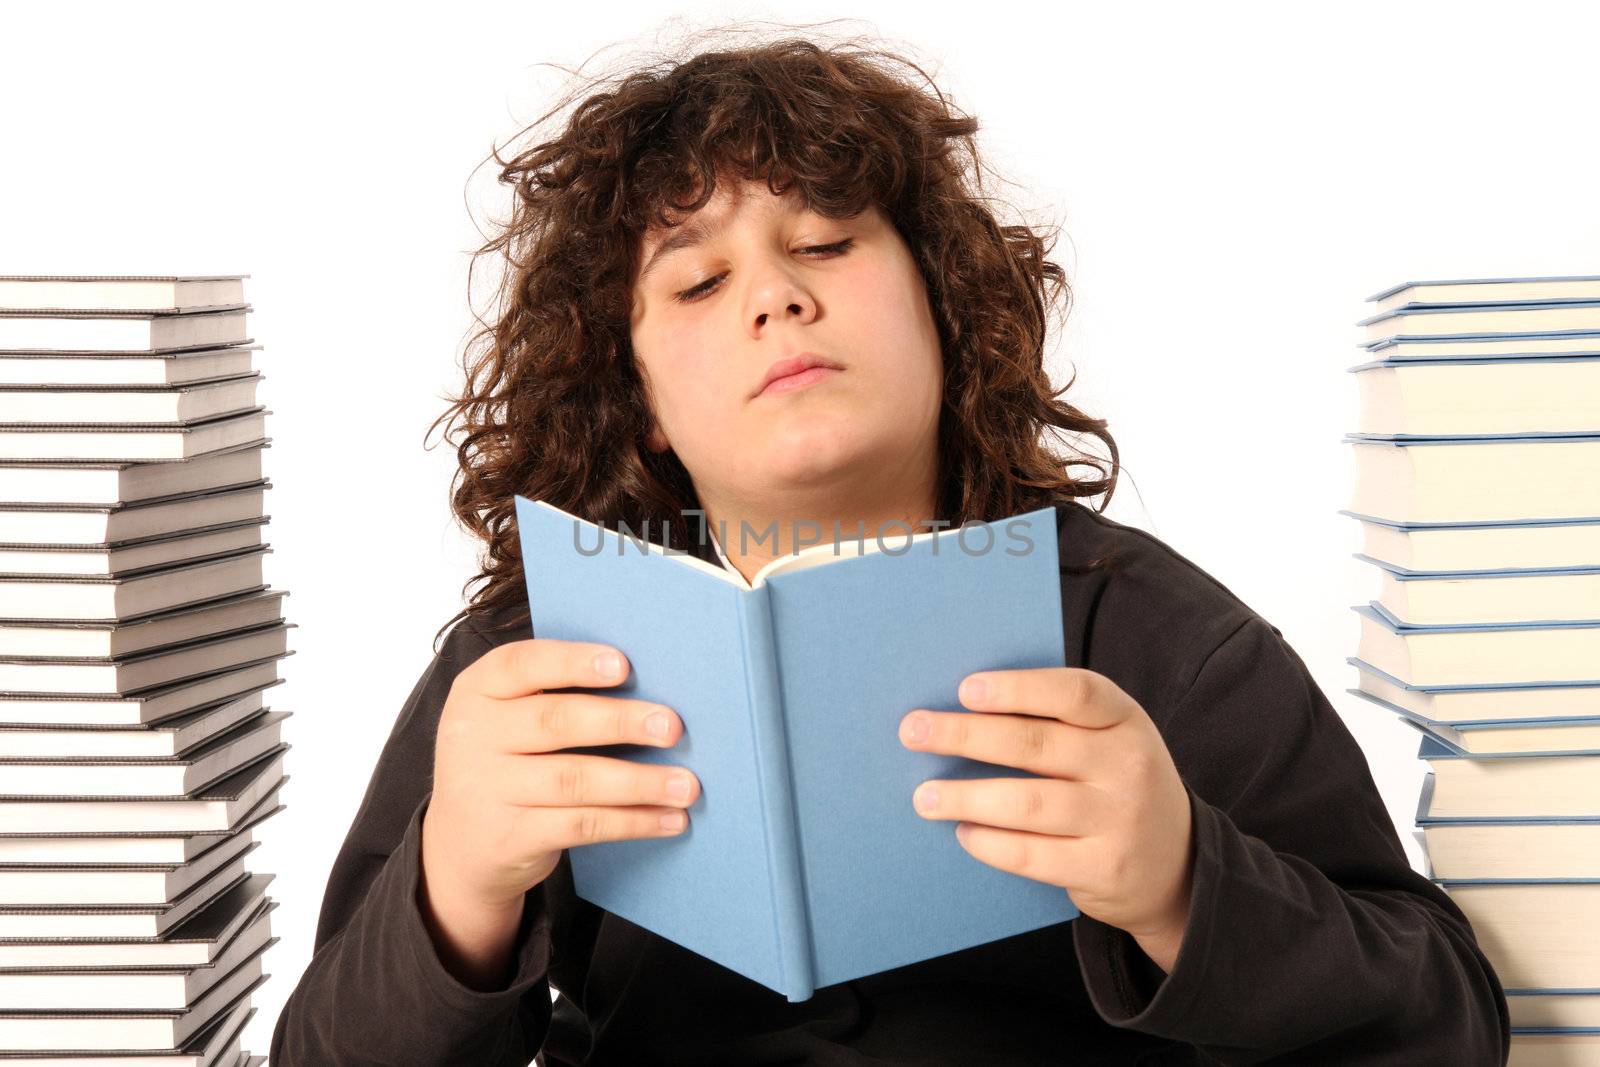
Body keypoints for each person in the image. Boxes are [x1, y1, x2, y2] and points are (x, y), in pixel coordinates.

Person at [270, 31, 1510, 1066]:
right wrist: (456, 888)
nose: (774, 296)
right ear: (635, 392)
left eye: (823, 243)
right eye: (697, 283)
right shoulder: (529, 662)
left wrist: (1187, 881)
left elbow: (1446, 1017)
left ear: (942, 301)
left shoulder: (1146, 627)